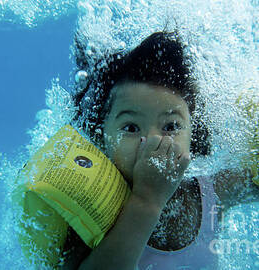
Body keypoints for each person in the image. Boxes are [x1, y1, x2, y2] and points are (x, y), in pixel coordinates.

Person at [56, 31, 258, 270]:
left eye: (171, 126)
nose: (153, 141)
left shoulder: (210, 191)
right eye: (131, 127)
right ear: (101, 137)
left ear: (194, 131)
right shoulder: (92, 211)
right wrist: (147, 199)